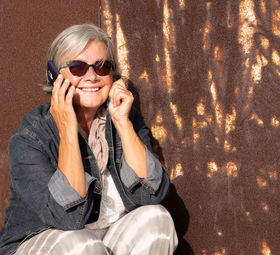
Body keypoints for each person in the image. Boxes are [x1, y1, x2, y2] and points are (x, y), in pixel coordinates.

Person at [0, 24, 178, 255]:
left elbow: (151, 194)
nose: (92, 76)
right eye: (77, 67)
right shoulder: (31, 136)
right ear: (54, 75)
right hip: (50, 242)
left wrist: (123, 123)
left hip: (106, 236)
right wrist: (67, 130)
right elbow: (68, 217)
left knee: (158, 221)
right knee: (82, 245)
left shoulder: (123, 116)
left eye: (102, 67)